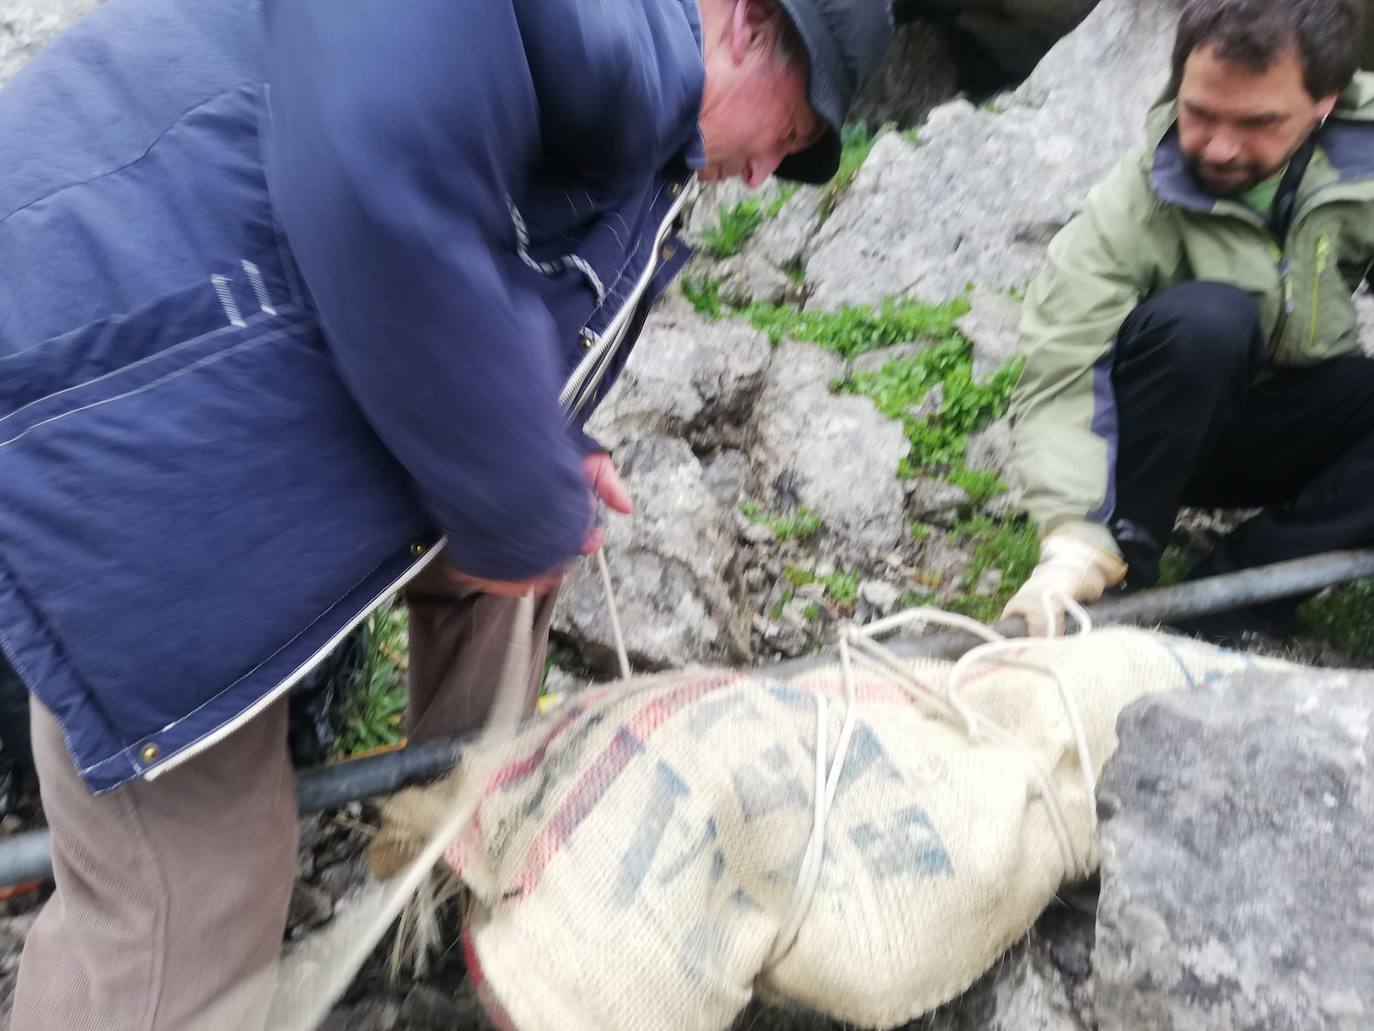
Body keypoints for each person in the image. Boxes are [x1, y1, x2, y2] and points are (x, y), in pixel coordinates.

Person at [0, 0, 892, 1025]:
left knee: (514, 561)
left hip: (199, 368)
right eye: (786, 136)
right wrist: (518, 501)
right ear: (743, 24)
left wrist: (549, 458)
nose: (762, 174)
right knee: (196, 886)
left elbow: (488, 267)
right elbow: (377, 178)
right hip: (97, 387)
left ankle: (456, 843)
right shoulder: (603, 35)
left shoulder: (619, 92)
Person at [1003, 0, 1374, 640]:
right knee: (1209, 321)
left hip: (1284, 419)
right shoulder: (1139, 196)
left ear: (1325, 104)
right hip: (1156, 429)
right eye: (1199, 112)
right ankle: (1114, 564)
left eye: (1258, 122)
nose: (1220, 146)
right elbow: (1062, 369)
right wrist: (1071, 537)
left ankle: (1235, 595)